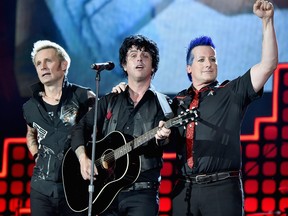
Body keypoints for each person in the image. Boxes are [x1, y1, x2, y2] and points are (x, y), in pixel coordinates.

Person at [170, 0, 278, 215]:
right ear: (189, 68)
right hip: (184, 190)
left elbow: (268, 65)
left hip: (221, 189)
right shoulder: (177, 102)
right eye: (201, 60)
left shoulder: (231, 91)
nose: (208, 63)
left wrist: (267, 21)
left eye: (213, 59)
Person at [70, 34, 172, 216]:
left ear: (153, 66)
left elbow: (172, 142)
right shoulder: (109, 100)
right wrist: (83, 159)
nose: (139, 59)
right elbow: (80, 129)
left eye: (145, 55)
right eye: (133, 55)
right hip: (104, 192)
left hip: (142, 192)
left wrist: (163, 138)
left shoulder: (164, 105)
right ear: (124, 65)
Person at [23, 40, 95, 216]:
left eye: (48, 61)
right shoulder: (30, 106)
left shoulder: (84, 97)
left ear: (64, 65)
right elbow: (30, 134)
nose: (43, 67)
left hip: (76, 187)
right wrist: (36, 154)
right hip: (41, 188)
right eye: (38, 63)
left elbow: (100, 133)